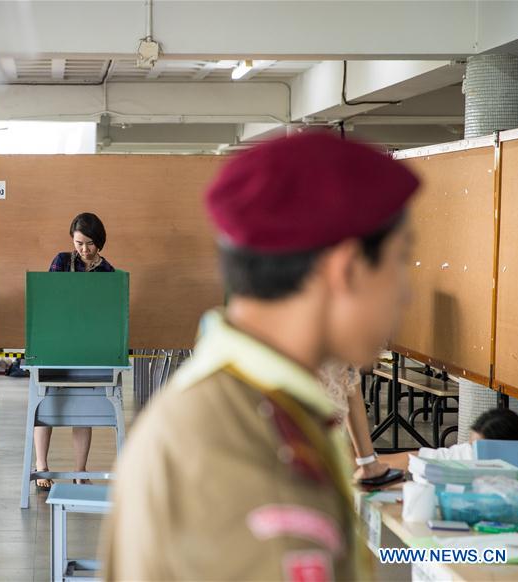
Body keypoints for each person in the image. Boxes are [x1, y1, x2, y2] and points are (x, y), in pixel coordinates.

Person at [102, 131, 420, 581]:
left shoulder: (259, 408)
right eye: (399, 261)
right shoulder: (236, 449)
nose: (404, 293)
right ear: (344, 269)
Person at [35, 212, 114, 492]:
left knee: (83, 408)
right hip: (57, 344)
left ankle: (80, 470)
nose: (83, 249)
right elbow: (49, 299)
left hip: (87, 348)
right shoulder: (60, 261)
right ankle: (41, 466)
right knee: (46, 403)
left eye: (89, 243)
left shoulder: (108, 273)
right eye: (79, 243)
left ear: (99, 243)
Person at [380, 407, 518, 471]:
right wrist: (368, 463)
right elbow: (421, 459)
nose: (471, 452)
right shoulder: (474, 453)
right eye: (470, 446)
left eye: (476, 449)